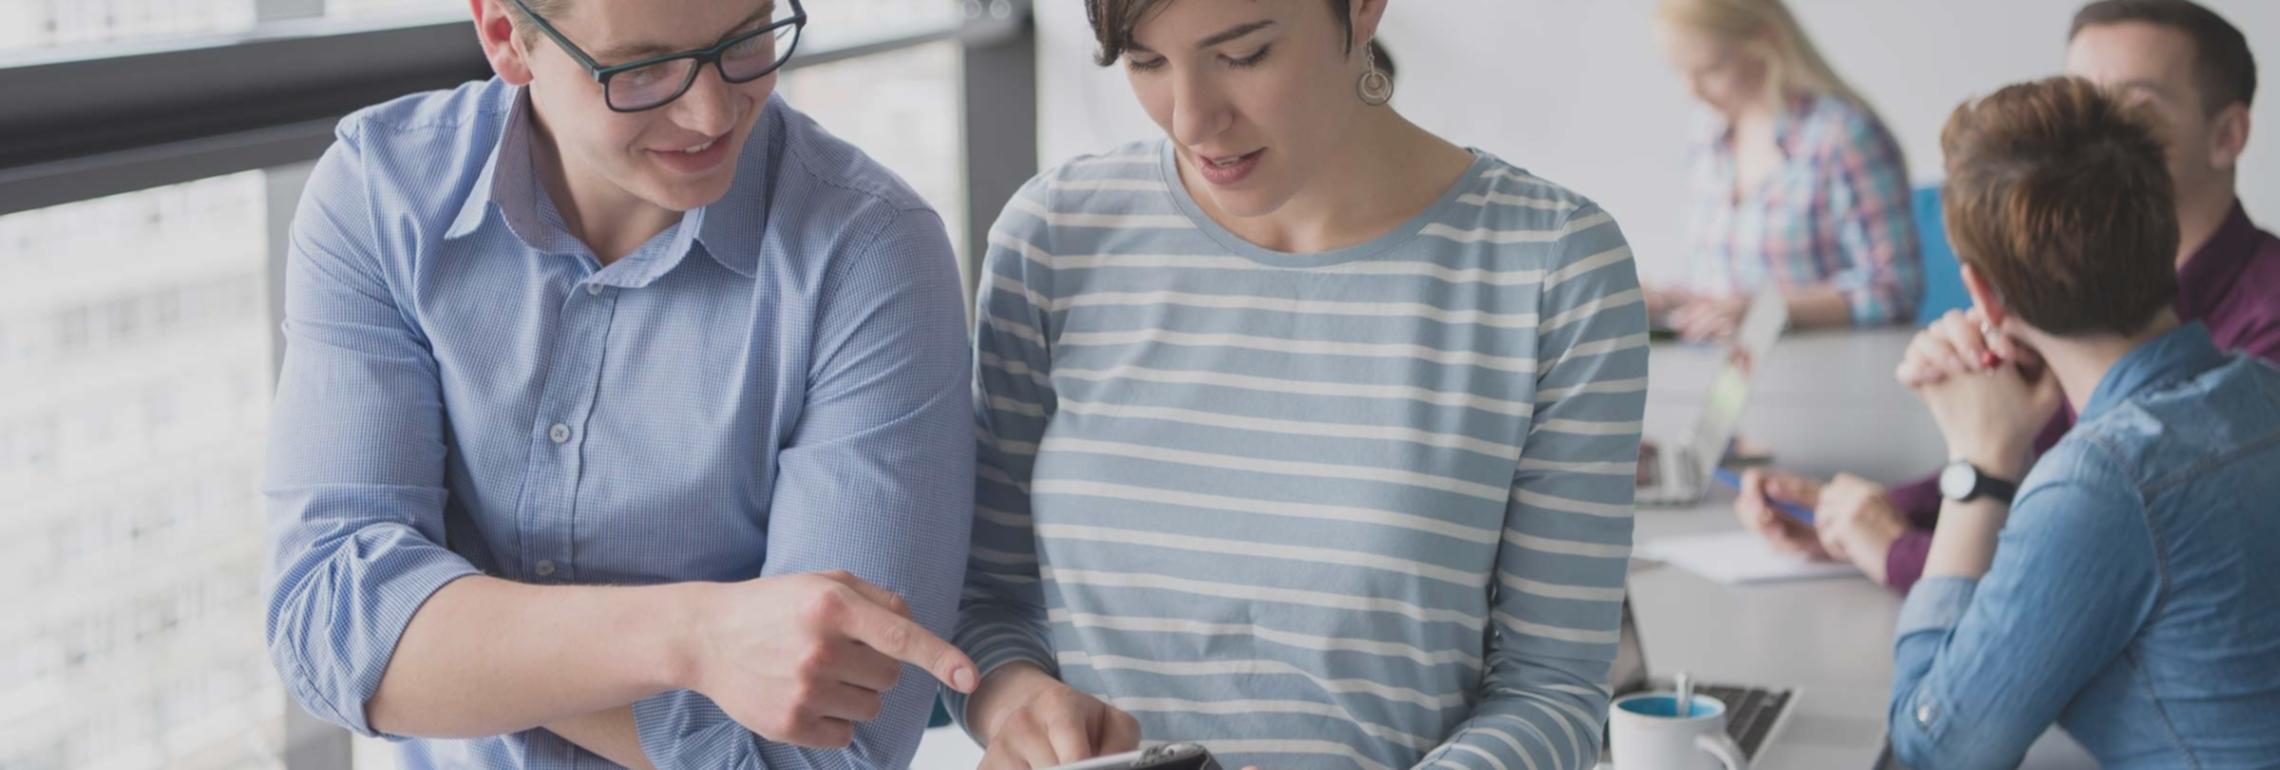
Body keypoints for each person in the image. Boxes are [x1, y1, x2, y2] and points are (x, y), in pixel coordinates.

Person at [261, 0, 980, 767]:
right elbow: (328, 622)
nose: (712, 110)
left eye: (747, 37)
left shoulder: (871, 253)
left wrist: (460, 640)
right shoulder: (384, 192)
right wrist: (697, 639)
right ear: (507, 36)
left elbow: (833, 749)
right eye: (642, 67)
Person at [950, 1, 1649, 769]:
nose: (1190, 119)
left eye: (1244, 56)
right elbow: (988, 598)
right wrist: (1018, 704)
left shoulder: (1554, 266)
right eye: (1145, 61)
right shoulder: (1052, 238)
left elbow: (1552, 687)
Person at [1733, 0, 2277, 593]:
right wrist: (1852, 512)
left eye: (2132, 109)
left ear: (2227, 136)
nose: (2095, 138)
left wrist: (1896, 549)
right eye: (2084, 102)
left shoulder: (2265, 330)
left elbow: (2101, 564)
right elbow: (2030, 466)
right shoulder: (2079, 285)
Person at [1885, 74, 2280, 769]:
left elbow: (1932, 755)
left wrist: (1979, 464)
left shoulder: (2105, 484)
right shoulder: (2262, 389)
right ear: (2166, 231)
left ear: (1981, 292)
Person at [1645, 0, 1922, 340]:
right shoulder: (1707, 136)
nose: (1692, 91)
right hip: (1725, 375)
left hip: (1818, 375)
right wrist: (1666, 302)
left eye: (1711, 69)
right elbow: (1724, 291)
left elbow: (1895, 289)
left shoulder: (1843, 137)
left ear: (1765, 41)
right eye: (1679, 71)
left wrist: (1766, 313)